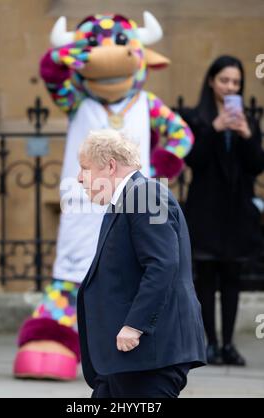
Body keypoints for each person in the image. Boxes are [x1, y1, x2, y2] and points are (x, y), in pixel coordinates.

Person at [76, 129, 206, 398]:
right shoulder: (128, 200)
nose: (78, 178)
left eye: (84, 168)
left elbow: (162, 265)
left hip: (149, 355)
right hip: (127, 361)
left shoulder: (146, 195)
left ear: (110, 166)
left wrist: (136, 325)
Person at [181, 55, 264, 366]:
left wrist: (247, 136)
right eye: (224, 80)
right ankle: (209, 343)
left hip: (237, 211)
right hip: (206, 209)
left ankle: (228, 344)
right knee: (206, 276)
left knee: (233, 276)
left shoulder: (248, 120)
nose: (230, 86)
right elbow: (193, 161)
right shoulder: (196, 118)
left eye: (236, 82)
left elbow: (256, 165)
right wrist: (213, 129)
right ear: (212, 81)